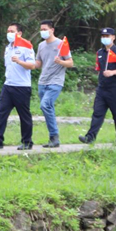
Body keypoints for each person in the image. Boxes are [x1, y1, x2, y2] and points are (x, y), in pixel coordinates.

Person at [0, 23, 36, 150]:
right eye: (8, 31)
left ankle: (27, 142)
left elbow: (32, 66)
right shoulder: (8, 48)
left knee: (24, 115)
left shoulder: (27, 47)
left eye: (12, 31)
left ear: (19, 33)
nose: (9, 33)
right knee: (1, 112)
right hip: (8, 85)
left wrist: (19, 61)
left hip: (22, 87)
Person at [79, 28, 116, 145]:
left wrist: (113, 72)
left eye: (107, 36)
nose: (105, 38)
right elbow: (98, 67)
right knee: (97, 113)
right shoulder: (100, 53)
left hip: (115, 88)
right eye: (103, 36)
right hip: (102, 88)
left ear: (113, 37)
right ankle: (90, 137)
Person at [34, 20, 73, 148]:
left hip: (55, 81)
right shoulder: (41, 45)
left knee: (45, 105)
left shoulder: (61, 44)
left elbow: (70, 63)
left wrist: (60, 62)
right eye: (41, 29)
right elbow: (38, 63)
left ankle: (54, 136)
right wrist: (22, 62)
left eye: (45, 29)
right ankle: (53, 138)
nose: (43, 31)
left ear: (52, 30)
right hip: (42, 82)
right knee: (47, 108)